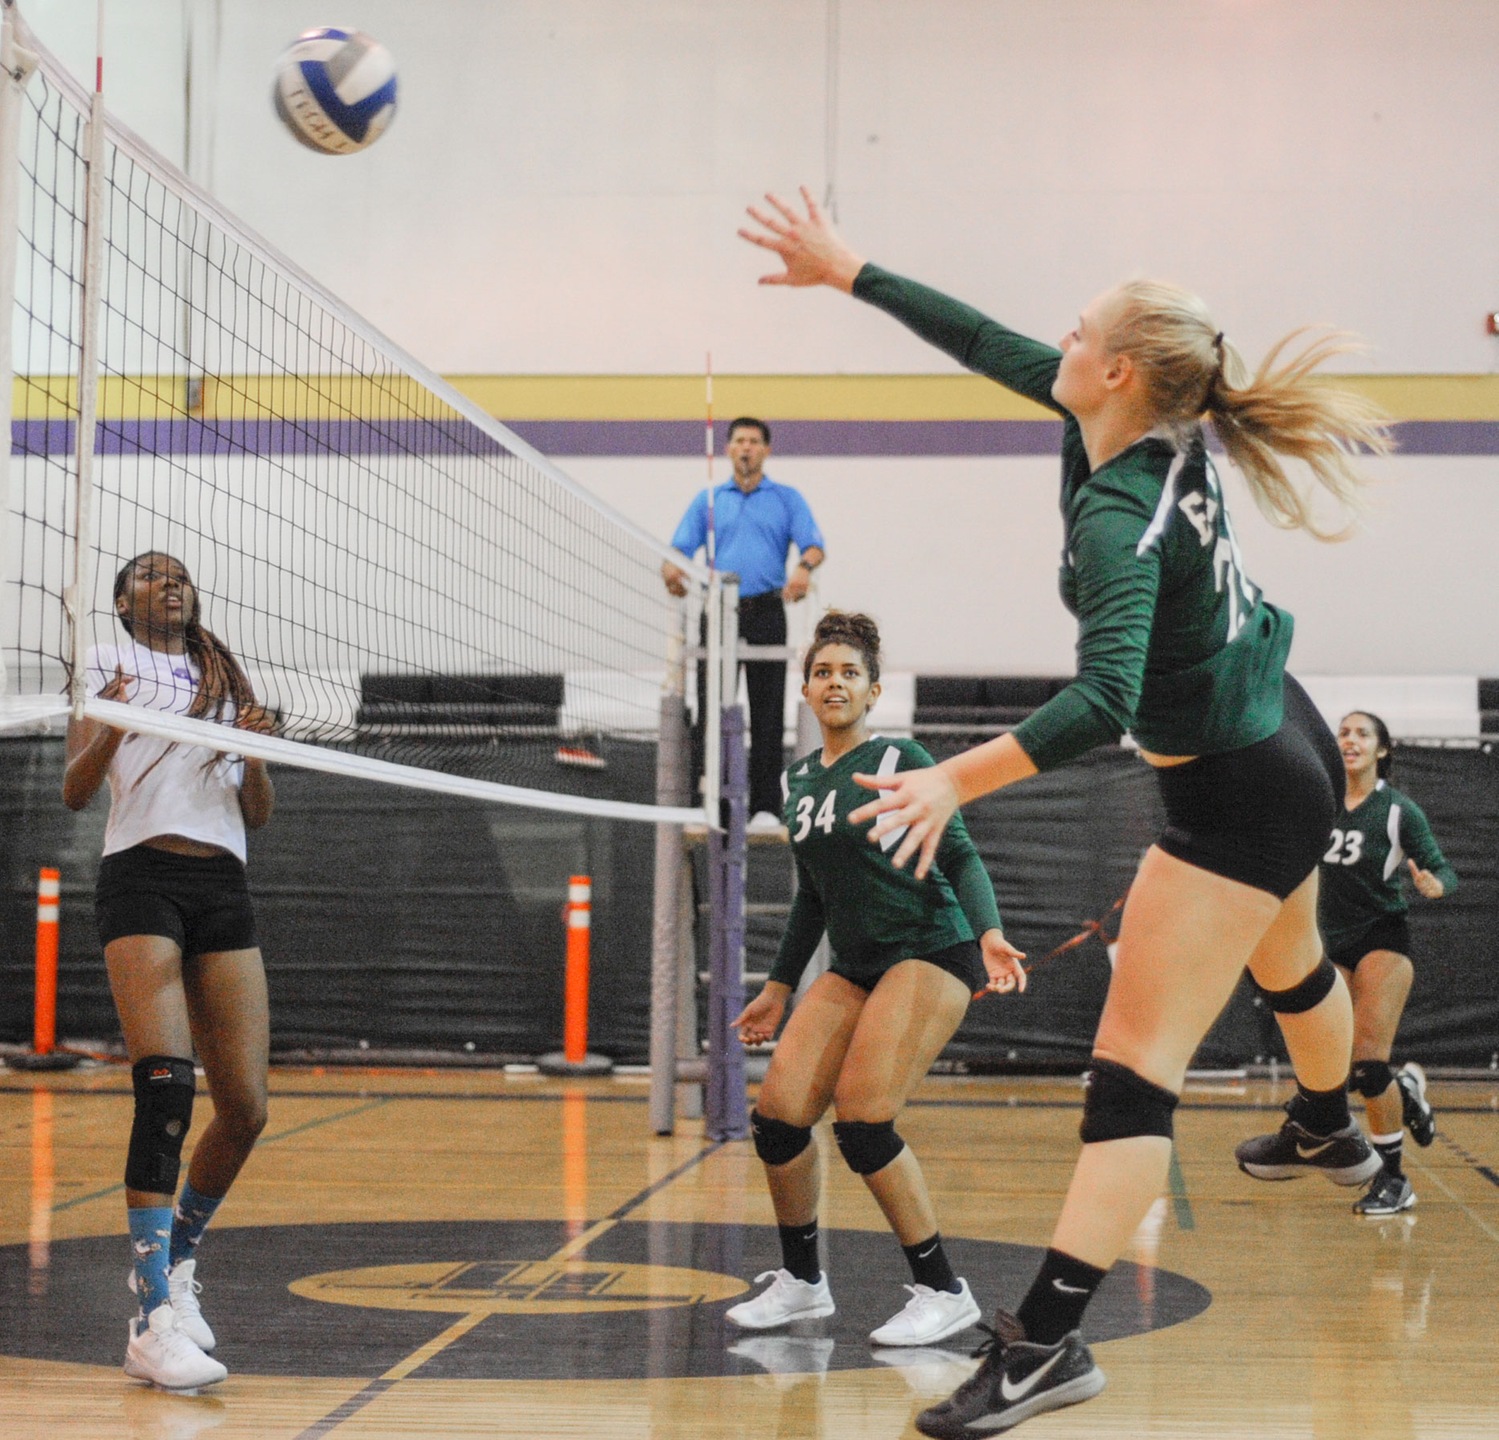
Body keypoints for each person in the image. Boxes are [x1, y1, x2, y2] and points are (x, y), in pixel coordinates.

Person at [738, 189, 1391, 1435]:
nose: (1059, 334)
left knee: (1130, 1079)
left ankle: (1043, 1345)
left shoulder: (1110, 517)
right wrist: (850, 269)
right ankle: (1326, 1121)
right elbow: (984, 340)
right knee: (1292, 963)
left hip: (1237, 789)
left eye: (1078, 325)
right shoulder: (1138, 422)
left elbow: (1103, 701)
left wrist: (947, 779)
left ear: (1118, 370)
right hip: (1285, 717)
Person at [728, 609, 1027, 1347]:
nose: (835, 683)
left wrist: (989, 932)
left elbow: (957, 856)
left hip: (931, 947)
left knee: (863, 1122)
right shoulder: (798, 780)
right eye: (822, 671)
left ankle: (942, 1289)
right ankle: (802, 1283)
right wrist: (777, 984)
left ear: (871, 692)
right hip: (857, 962)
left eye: (849, 673)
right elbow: (814, 895)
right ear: (803, 689)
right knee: (777, 1118)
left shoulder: (899, 758)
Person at [63, 552, 276, 1391]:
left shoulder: (224, 672)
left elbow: (255, 808)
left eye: (181, 574)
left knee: (248, 1110)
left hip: (223, 882)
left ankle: (177, 1265)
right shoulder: (105, 668)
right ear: (122, 602)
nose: (171, 583)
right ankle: (150, 1321)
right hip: (141, 878)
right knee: (165, 1088)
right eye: (151, 576)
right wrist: (111, 726)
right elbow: (77, 792)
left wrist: (255, 757)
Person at [1240, 710, 1455, 1218]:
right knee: (1334, 1066)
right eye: (1342, 733)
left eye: (1362, 734)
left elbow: (1441, 866)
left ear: (1382, 750)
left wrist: (1435, 882)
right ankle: (1405, 1092)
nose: (1349, 740)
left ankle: (1394, 1180)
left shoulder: (1398, 810)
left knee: (1367, 1060)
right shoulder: (1318, 803)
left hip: (1381, 936)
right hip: (1324, 940)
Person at [662, 417, 826, 832]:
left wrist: (803, 569)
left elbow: (813, 545)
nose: (746, 448)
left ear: (766, 450)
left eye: (754, 441)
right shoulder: (710, 500)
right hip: (718, 611)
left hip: (769, 611)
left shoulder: (786, 499)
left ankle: (766, 805)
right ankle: (711, 803)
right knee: (711, 709)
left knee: (767, 713)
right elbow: (678, 550)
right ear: (729, 449)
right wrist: (672, 570)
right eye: (739, 441)